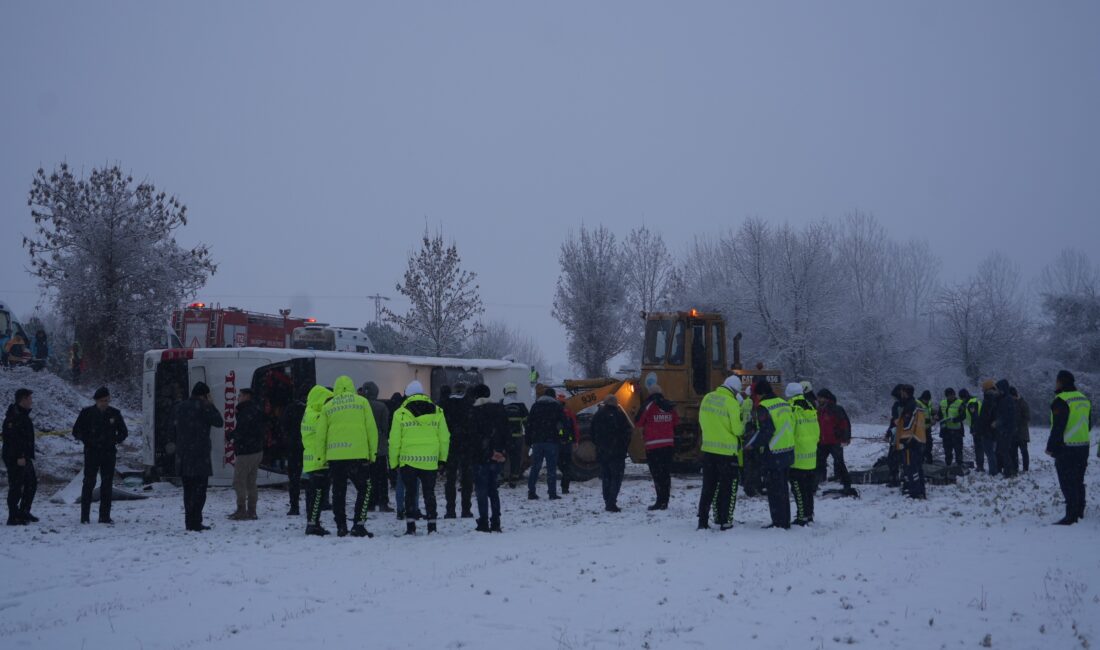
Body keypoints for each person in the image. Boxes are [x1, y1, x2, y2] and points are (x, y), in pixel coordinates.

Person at [317, 375, 379, 538]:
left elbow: (321, 435)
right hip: (358, 455)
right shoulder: (362, 402)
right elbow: (371, 430)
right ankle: (359, 524)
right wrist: (372, 453)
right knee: (365, 489)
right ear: (352, 387)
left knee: (338, 492)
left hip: (335, 456)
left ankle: (341, 526)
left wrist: (321, 457)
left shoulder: (328, 406)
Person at [390, 381, 450, 535]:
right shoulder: (437, 411)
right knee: (429, 493)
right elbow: (444, 437)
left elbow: (395, 440)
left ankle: (411, 527)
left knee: (410, 493)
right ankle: (432, 526)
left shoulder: (400, 413)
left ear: (407, 395)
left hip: (408, 461)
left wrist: (394, 462)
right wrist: (442, 459)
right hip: (429, 461)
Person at [73, 386, 128, 524]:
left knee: (107, 483)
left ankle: (104, 516)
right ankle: (84, 516)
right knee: (89, 483)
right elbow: (76, 431)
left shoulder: (114, 413)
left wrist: (114, 440)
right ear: (97, 401)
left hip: (108, 452)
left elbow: (123, 432)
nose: (105, 403)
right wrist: (88, 440)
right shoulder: (87, 413)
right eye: (103, 401)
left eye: (107, 400)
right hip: (92, 452)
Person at [174, 382, 224, 532]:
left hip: (184, 455)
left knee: (188, 490)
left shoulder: (180, 407)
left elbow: (172, 427)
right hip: (200, 455)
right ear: (205, 395)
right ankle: (196, 521)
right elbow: (219, 422)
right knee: (200, 491)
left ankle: (189, 521)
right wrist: (212, 405)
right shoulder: (205, 406)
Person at [696, 376, 744, 530]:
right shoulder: (732, 403)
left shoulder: (707, 398)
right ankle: (725, 521)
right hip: (727, 453)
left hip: (708, 451)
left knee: (708, 488)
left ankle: (702, 521)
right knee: (727, 488)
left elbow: (701, 421)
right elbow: (737, 429)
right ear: (735, 390)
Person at [747, 380, 795, 529]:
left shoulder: (764, 407)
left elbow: (767, 430)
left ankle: (778, 522)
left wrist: (752, 445)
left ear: (760, 393)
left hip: (774, 453)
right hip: (788, 450)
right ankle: (785, 520)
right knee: (783, 490)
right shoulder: (783, 403)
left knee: (774, 491)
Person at [1046, 370, 1091, 525]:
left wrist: (1051, 447)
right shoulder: (1084, 399)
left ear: (1061, 382)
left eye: (1057, 380)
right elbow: (1088, 424)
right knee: (1078, 480)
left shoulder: (1061, 400)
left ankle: (1070, 516)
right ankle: (1079, 510)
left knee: (1067, 482)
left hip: (1067, 447)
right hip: (1084, 446)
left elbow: (1058, 426)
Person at [468, 384, 509, 531]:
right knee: (493, 490)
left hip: (480, 457)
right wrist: (501, 452)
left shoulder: (474, 412)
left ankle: (484, 521)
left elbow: (473, 438)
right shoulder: (500, 410)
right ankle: (496, 521)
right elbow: (506, 432)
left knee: (481, 491)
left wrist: (486, 452)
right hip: (497, 457)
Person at [635, 384, 679, 510]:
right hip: (668, 445)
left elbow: (638, 422)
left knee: (657, 475)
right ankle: (665, 501)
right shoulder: (670, 406)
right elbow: (676, 421)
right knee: (665, 474)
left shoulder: (649, 405)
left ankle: (659, 501)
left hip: (653, 446)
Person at [525, 388, 570, 500]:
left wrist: (528, 440)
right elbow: (564, 423)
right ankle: (552, 493)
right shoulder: (557, 407)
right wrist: (564, 437)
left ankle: (531, 492)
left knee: (535, 467)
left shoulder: (535, 406)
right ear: (553, 397)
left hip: (537, 441)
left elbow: (529, 424)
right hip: (552, 441)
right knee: (551, 468)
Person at [227, 388, 265, 521]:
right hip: (257, 450)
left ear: (247, 396)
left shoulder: (245, 411)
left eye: (240, 395)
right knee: (251, 482)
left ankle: (241, 509)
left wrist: (231, 435)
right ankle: (252, 510)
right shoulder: (257, 409)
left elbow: (242, 430)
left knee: (239, 481)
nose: (238, 397)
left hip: (246, 451)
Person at [592, 394, 633, 513]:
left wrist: (599, 445)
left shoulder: (598, 415)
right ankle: (611, 502)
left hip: (603, 452)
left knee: (606, 477)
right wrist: (623, 447)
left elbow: (592, 433)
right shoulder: (620, 416)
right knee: (616, 478)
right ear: (616, 403)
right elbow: (627, 433)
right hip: (617, 453)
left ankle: (607, 500)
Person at [301, 385, 333, 536]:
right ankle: (313, 524)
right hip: (319, 461)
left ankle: (313, 522)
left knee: (313, 495)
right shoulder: (318, 416)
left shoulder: (309, 412)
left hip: (312, 461)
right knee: (317, 495)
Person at [3, 388, 37, 525]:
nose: (31, 401)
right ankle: (13, 516)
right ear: (23, 400)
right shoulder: (13, 417)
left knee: (31, 484)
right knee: (16, 486)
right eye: (29, 398)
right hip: (15, 457)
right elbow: (12, 440)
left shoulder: (23, 415)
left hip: (25, 456)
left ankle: (24, 511)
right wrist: (19, 456)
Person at [442, 382, 475, 519]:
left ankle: (450, 510)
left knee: (450, 479)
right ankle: (466, 509)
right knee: (466, 479)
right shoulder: (469, 404)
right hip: (466, 445)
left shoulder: (445, 404)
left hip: (449, 445)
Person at [788, 384, 820, 526]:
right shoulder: (811, 407)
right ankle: (809, 514)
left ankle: (801, 517)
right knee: (807, 488)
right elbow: (817, 431)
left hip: (797, 455)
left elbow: (789, 431)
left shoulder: (791, 408)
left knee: (797, 488)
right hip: (811, 455)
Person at [816, 389, 856, 496]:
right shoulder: (818, 410)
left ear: (826, 398)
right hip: (822, 442)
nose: (818, 399)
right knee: (818, 462)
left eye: (820, 397)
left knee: (839, 462)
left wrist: (845, 438)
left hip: (835, 441)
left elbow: (845, 424)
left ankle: (847, 483)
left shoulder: (836, 409)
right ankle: (814, 485)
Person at [360, 382, 393, 513]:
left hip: (364, 447)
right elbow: (385, 427)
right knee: (382, 477)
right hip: (380, 447)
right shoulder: (382, 407)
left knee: (368, 477)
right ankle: (383, 502)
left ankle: (369, 503)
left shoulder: (360, 406)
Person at [894, 384, 927, 499]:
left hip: (911, 441)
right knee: (918, 467)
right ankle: (920, 489)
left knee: (911, 467)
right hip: (919, 440)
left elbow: (908, 424)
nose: (900, 394)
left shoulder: (910, 406)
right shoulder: (917, 404)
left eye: (902, 392)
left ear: (905, 392)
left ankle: (915, 492)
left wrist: (904, 440)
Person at [281, 390, 306, 516]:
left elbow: (283, 426)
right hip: (308, 447)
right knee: (311, 479)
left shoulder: (291, 408)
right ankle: (313, 505)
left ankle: (294, 506)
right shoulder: (311, 409)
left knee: (294, 479)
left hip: (293, 447)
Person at [501, 383, 529, 488]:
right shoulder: (521, 405)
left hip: (504, 438)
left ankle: (502, 476)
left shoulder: (502, 404)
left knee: (502, 457)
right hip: (517, 437)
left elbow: (498, 422)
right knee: (516, 458)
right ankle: (514, 479)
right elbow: (527, 422)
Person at [994, 379, 1018, 478]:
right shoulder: (1003, 399)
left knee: (1004, 451)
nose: (997, 391)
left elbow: (1006, 416)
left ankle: (1009, 472)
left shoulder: (1007, 400)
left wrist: (998, 423)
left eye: (998, 389)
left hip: (1006, 430)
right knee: (1002, 450)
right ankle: (1009, 470)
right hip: (1004, 429)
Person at [557, 395, 580, 495]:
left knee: (560, 465)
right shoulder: (569, 414)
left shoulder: (554, 414)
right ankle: (565, 487)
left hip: (556, 444)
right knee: (567, 466)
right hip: (567, 444)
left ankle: (562, 484)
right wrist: (576, 441)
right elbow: (575, 428)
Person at [939, 388, 966, 469]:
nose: (951, 397)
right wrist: (937, 417)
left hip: (957, 430)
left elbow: (963, 416)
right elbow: (940, 414)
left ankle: (959, 464)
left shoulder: (960, 403)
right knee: (947, 449)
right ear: (946, 396)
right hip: (945, 430)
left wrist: (955, 420)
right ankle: (948, 465)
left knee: (958, 449)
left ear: (954, 394)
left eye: (952, 395)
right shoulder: (942, 403)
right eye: (949, 396)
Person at [977, 380, 1000, 475]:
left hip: (987, 430)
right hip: (993, 430)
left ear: (987, 388)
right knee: (992, 451)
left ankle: (993, 471)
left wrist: (981, 427)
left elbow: (985, 416)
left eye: (983, 387)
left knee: (989, 451)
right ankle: (995, 470)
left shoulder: (988, 399)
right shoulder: (996, 398)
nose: (982, 389)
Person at [884, 384, 905, 488]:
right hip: (895, 436)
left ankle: (898, 478)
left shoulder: (905, 405)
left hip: (903, 437)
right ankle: (895, 478)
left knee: (896, 459)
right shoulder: (896, 405)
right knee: (892, 459)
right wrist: (888, 433)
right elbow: (893, 421)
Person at [961, 389, 983, 471]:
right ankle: (980, 465)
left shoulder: (971, 404)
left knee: (978, 447)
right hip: (980, 426)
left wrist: (974, 429)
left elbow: (975, 417)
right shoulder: (974, 400)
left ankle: (980, 466)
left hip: (977, 428)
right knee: (980, 447)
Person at [1011, 387, 1030, 472]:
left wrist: (1018, 421)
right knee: (1014, 452)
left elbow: (1027, 418)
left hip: (1022, 433)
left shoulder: (1023, 403)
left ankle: (1025, 468)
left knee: (1024, 452)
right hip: (1015, 433)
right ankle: (1015, 468)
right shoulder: (1013, 403)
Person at [917, 390, 936, 464]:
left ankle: (928, 462)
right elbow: (918, 418)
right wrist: (929, 421)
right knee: (921, 447)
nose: (927, 401)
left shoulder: (929, 403)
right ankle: (921, 462)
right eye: (926, 400)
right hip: (919, 430)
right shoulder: (918, 404)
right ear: (922, 398)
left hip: (927, 429)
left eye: (928, 400)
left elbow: (929, 411)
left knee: (929, 446)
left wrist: (934, 414)